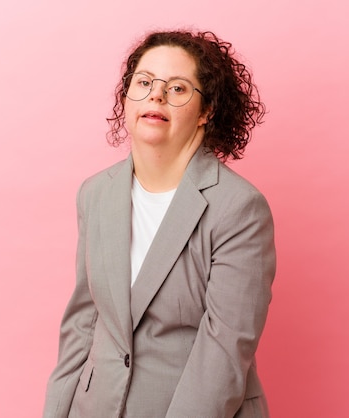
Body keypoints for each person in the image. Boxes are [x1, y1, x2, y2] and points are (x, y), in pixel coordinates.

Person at [43, 29, 276, 418]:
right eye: (145, 82)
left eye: (178, 88)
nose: (156, 95)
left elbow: (225, 349)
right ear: (126, 96)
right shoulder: (95, 193)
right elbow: (84, 323)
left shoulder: (239, 208)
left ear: (207, 111)